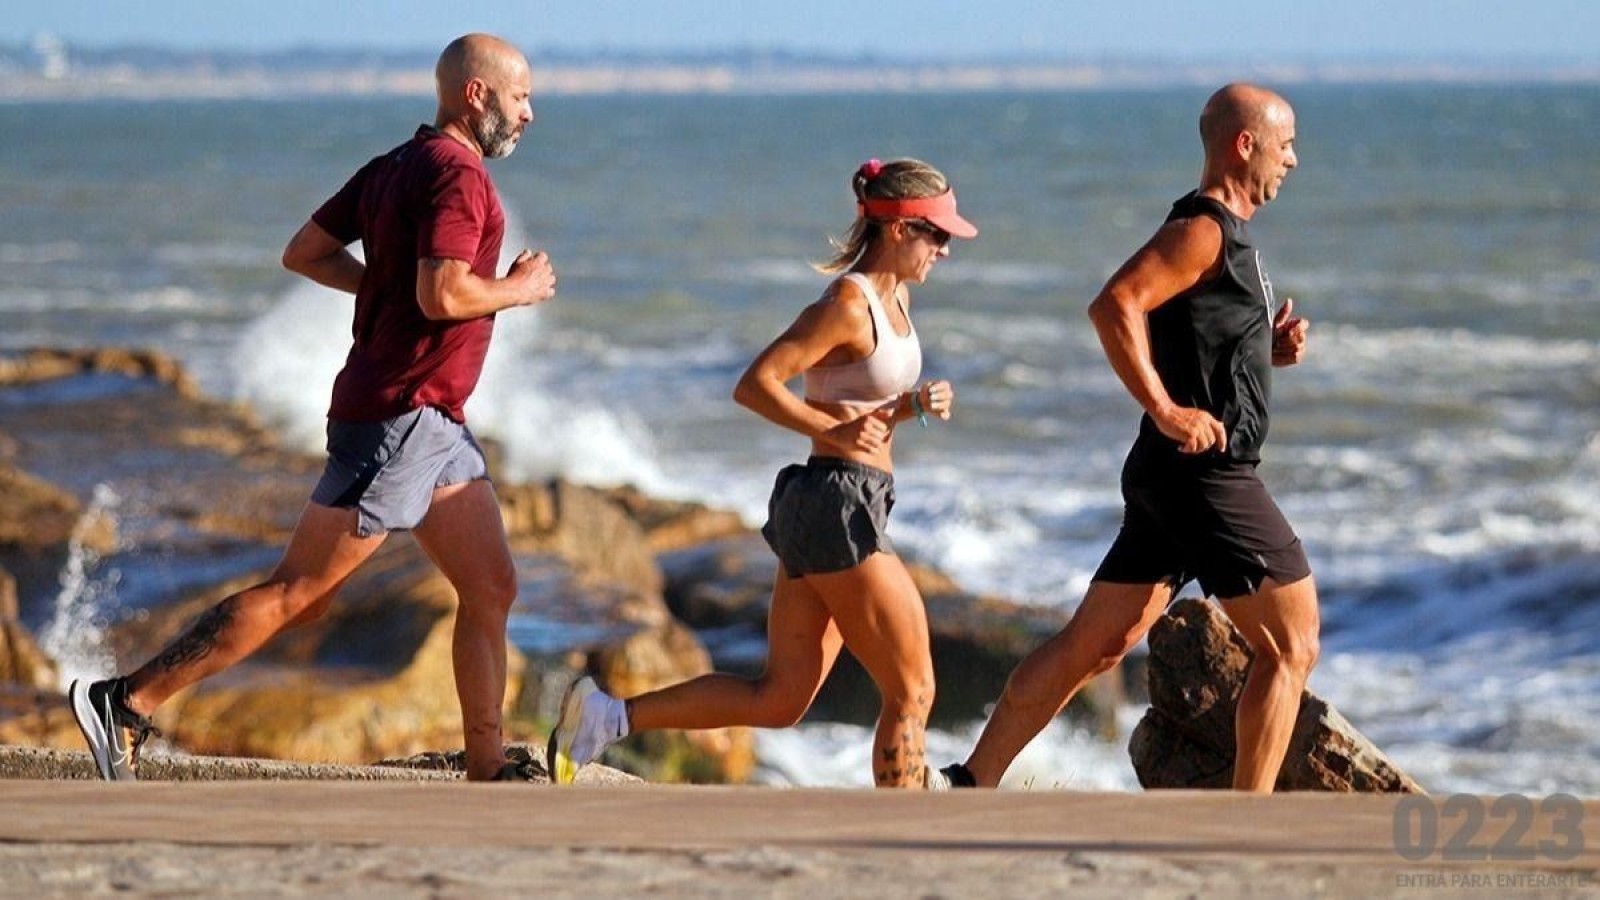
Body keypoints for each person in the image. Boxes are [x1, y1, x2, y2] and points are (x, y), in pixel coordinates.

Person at [69, 33, 557, 783]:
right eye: (521, 96)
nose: (530, 113)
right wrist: (517, 290)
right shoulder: (459, 178)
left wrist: (385, 293)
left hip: (436, 424)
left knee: (492, 587)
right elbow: (444, 294)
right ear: (476, 95)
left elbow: (305, 252)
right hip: (400, 417)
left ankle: (488, 763)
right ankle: (126, 703)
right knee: (297, 593)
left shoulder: (394, 166)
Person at [546, 158, 976, 788]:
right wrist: (829, 431)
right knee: (912, 688)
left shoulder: (896, 299)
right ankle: (908, 826)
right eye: (936, 234)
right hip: (836, 504)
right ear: (899, 229)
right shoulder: (847, 305)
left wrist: (909, 407)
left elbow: (851, 402)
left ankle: (605, 717)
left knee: (780, 698)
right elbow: (756, 384)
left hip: (840, 503)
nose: (945, 248)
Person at [939, 83, 1317, 793]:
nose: (1293, 159)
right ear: (1246, 144)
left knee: (1096, 644)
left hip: (1169, 478)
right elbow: (1116, 304)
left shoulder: (1226, 237)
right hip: (1205, 475)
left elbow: (1194, 336)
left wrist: (1266, 349)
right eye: (1286, 143)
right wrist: (1170, 411)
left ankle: (970, 779)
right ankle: (1249, 825)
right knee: (1292, 644)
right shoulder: (1203, 229)